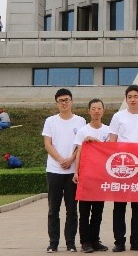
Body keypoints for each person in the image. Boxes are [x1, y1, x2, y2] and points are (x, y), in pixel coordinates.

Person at [108, 84, 138, 252]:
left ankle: (136, 241)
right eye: (130, 97)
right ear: (126, 99)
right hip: (121, 167)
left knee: (137, 207)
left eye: (136, 96)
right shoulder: (118, 116)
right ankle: (119, 241)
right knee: (119, 206)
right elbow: (112, 141)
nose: (133, 99)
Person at [42, 88, 87, 253]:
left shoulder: (80, 121)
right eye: (61, 101)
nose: (64, 103)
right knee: (53, 209)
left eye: (67, 100)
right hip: (54, 170)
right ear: (56, 103)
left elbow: (81, 145)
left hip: (72, 172)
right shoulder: (50, 121)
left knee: (72, 210)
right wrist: (60, 159)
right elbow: (47, 144)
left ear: (72, 101)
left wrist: (71, 159)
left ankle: (70, 243)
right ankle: (53, 243)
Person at [73, 98, 112, 253]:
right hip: (86, 176)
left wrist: (97, 143)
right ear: (88, 111)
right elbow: (79, 153)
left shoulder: (108, 131)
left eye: (99, 108)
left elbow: (111, 152)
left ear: (103, 111)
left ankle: (95, 240)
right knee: (84, 211)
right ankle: (85, 242)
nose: (96, 111)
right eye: (93, 108)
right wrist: (76, 172)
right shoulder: (83, 131)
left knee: (98, 211)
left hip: (101, 177)